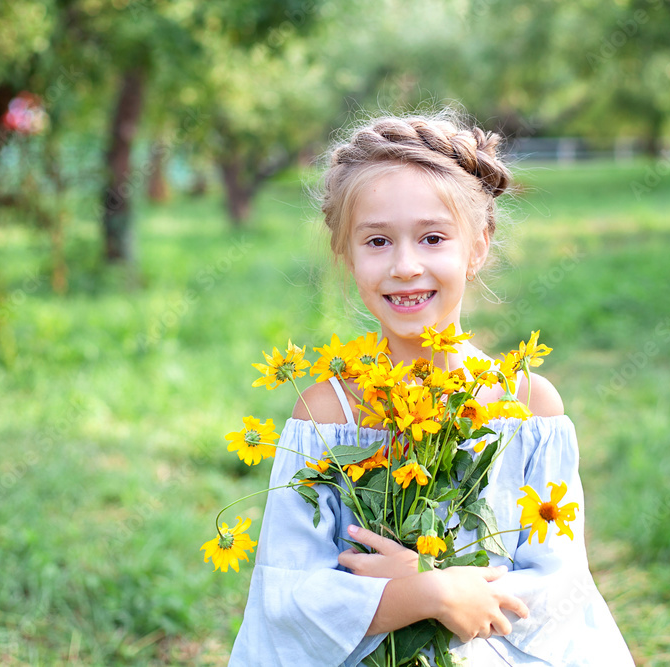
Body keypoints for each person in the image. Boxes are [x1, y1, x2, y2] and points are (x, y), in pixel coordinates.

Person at [228, 113, 634, 666]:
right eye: (377, 240)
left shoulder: (529, 406)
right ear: (346, 254)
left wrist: (428, 580)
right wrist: (424, 594)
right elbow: (289, 595)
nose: (405, 265)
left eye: (433, 237)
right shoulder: (328, 412)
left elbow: (560, 592)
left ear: (478, 246)